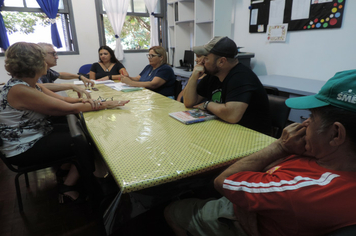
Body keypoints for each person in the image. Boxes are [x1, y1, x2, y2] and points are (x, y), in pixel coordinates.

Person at [165, 69, 356, 236]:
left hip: (241, 218)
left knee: (172, 210)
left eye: (311, 117)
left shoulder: (304, 191)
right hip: (255, 193)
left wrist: (280, 146)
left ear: (336, 134)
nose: (304, 123)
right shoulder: (332, 157)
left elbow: (222, 182)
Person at [0, 42, 130, 204]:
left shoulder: (27, 84)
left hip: (33, 134)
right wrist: (105, 104)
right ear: (36, 63)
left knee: (79, 130)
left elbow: (63, 99)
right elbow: (66, 108)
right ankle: (69, 187)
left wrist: (89, 100)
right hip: (24, 148)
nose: (49, 61)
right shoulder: (21, 90)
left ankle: (66, 170)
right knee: (86, 141)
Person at [183, 36, 270, 135]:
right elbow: (189, 102)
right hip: (227, 131)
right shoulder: (214, 75)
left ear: (221, 61)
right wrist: (194, 77)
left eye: (206, 58)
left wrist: (207, 104)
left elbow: (231, 115)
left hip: (251, 137)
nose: (201, 62)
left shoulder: (241, 77)